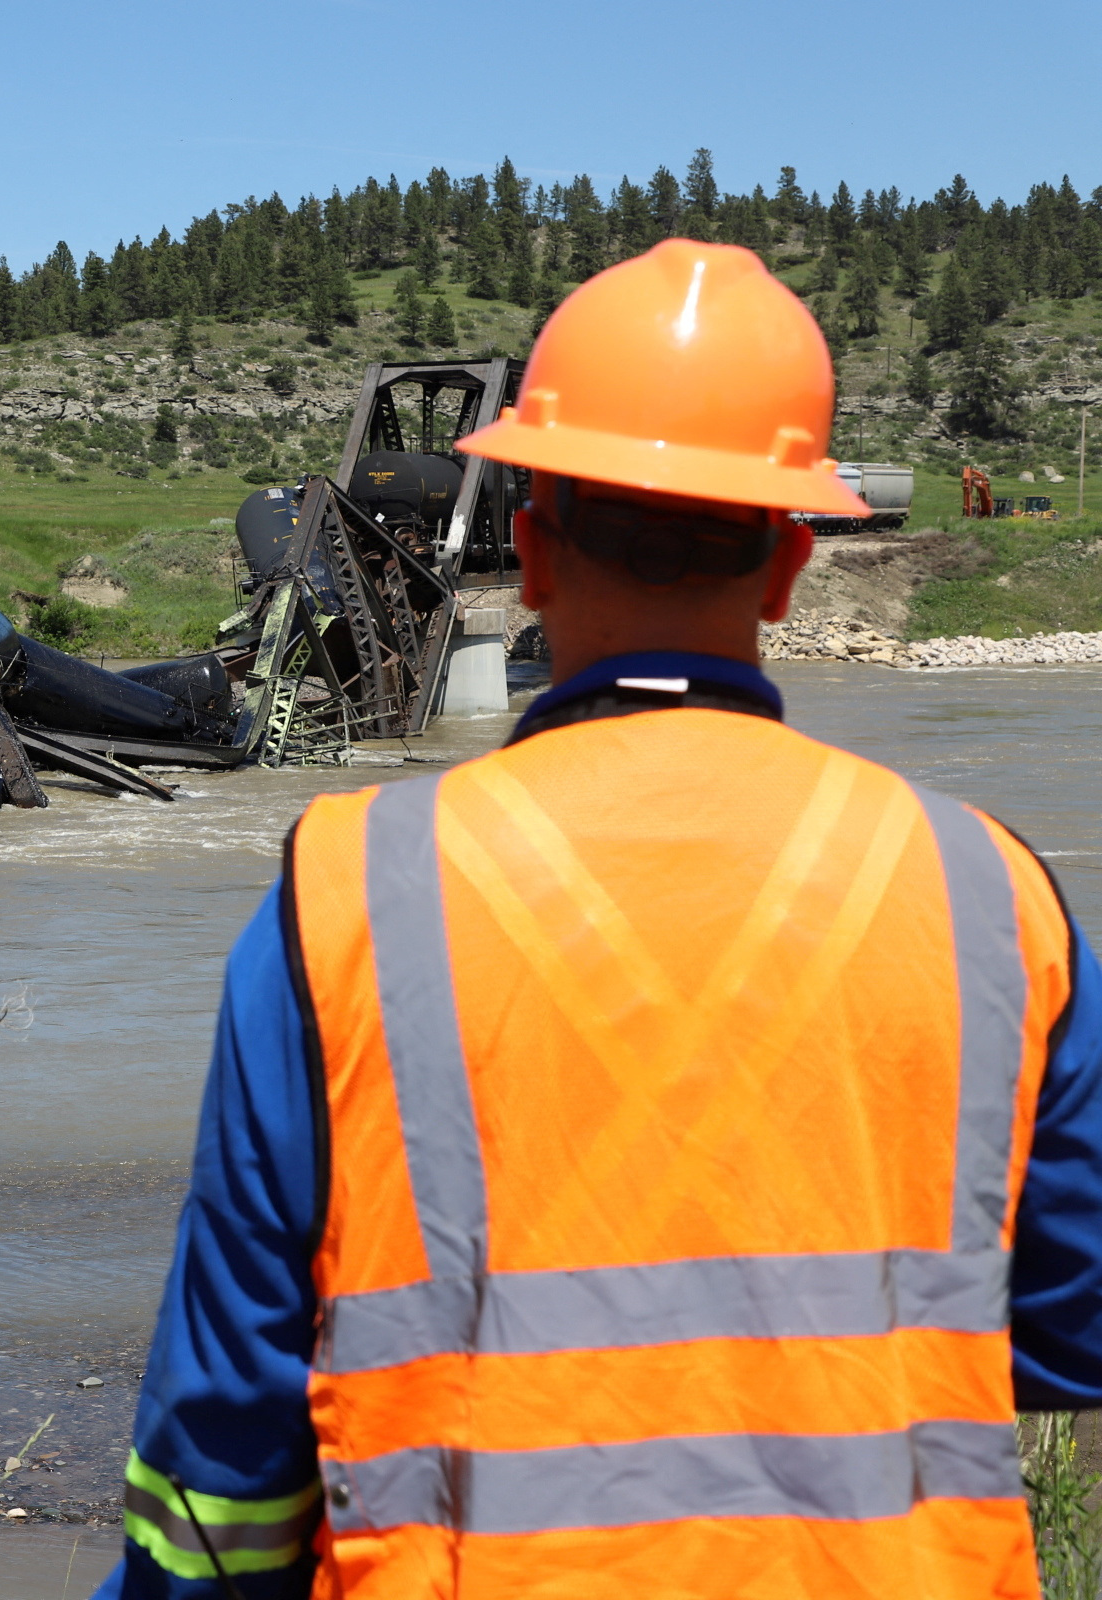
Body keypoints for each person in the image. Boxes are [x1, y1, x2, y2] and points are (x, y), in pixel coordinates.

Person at [96, 238, 1102, 1598]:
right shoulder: (990, 895)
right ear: (792, 563)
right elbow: (1072, 1324)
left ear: (532, 550)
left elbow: (219, 1468)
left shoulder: (349, 899)